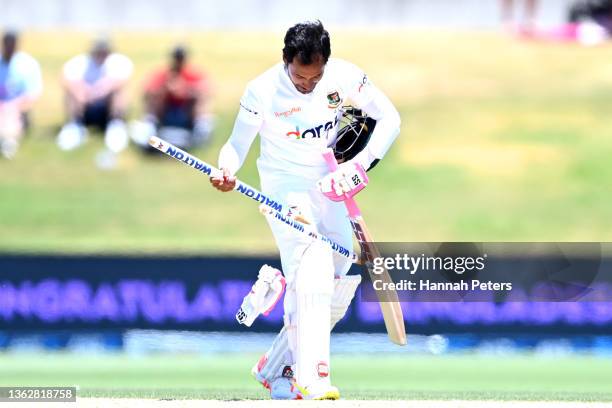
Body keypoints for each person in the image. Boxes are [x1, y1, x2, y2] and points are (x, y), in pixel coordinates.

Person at [210, 21, 400, 400]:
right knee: (311, 261)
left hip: (330, 186)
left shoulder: (345, 77)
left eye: (315, 78)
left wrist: (358, 165)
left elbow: (390, 120)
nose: (307, 85)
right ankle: (312, 379)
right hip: (284, 189)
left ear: (326, 64)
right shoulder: (261, 90)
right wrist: (226, 169)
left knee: (337, 277)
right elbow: (235, 144)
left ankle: (275, 366)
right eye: (300, 77)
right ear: (285, 59)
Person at [56, 38, 132, 163]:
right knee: (71, 94)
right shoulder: (80, 63)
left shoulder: (117, 62)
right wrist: (80, 90)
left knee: (118, 93)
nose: (102, 54)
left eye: (105, 51)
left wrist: (104, 88)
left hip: (107, 108)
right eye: (99, 51)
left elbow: (122, 80)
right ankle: (74, 126)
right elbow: (64, 79)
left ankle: (116, 125)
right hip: (85, 108)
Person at [131, 45, 213, 152]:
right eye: (177, 57)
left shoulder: (193, 74)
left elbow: (207, 90)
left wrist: (184, 89)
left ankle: (200, 129)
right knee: (155, 98)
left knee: (199, 99)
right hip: (165, 113)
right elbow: (146, 91)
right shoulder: (163, 74)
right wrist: (164, 89)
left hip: (186, 114)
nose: (178, 61)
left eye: (181, 57)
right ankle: (150, 126)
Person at [0, 30, 42, 159]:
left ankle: (8, 143)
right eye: (7, 44)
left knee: (10, 112)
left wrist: (13, 105)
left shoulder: (27, 64)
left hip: (19, 109)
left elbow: (33, 94)